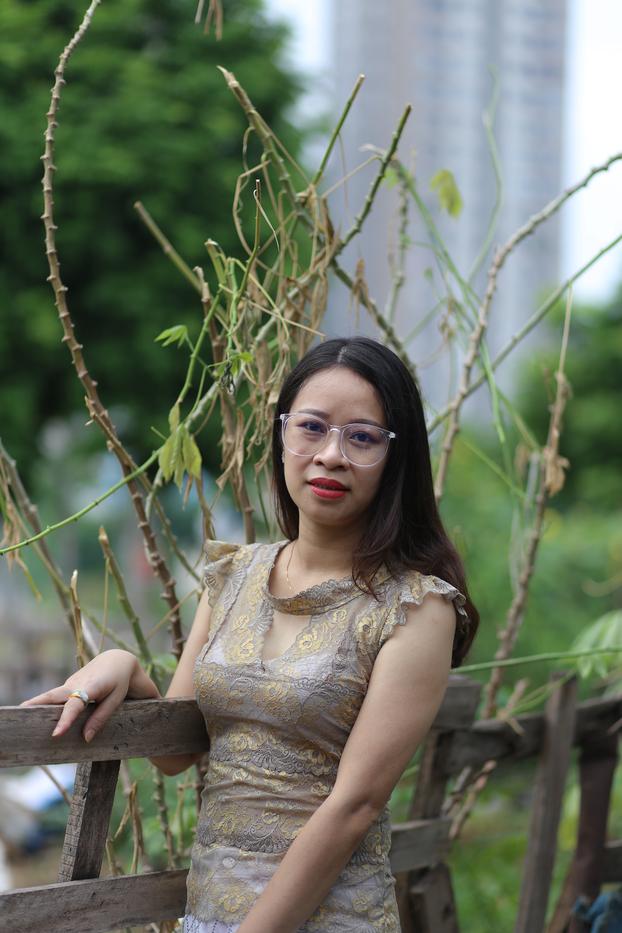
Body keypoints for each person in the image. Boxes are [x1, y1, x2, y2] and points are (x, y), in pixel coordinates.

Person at [22, 336, 479, 933]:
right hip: (208, 912)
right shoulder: (234, 576)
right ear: (282, 435)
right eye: (311, 427)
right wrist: (125, 666)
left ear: (398, 457)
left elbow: (355, 806)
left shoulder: (415, 607)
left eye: (363, 437)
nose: (331, 455)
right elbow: (175, 755)